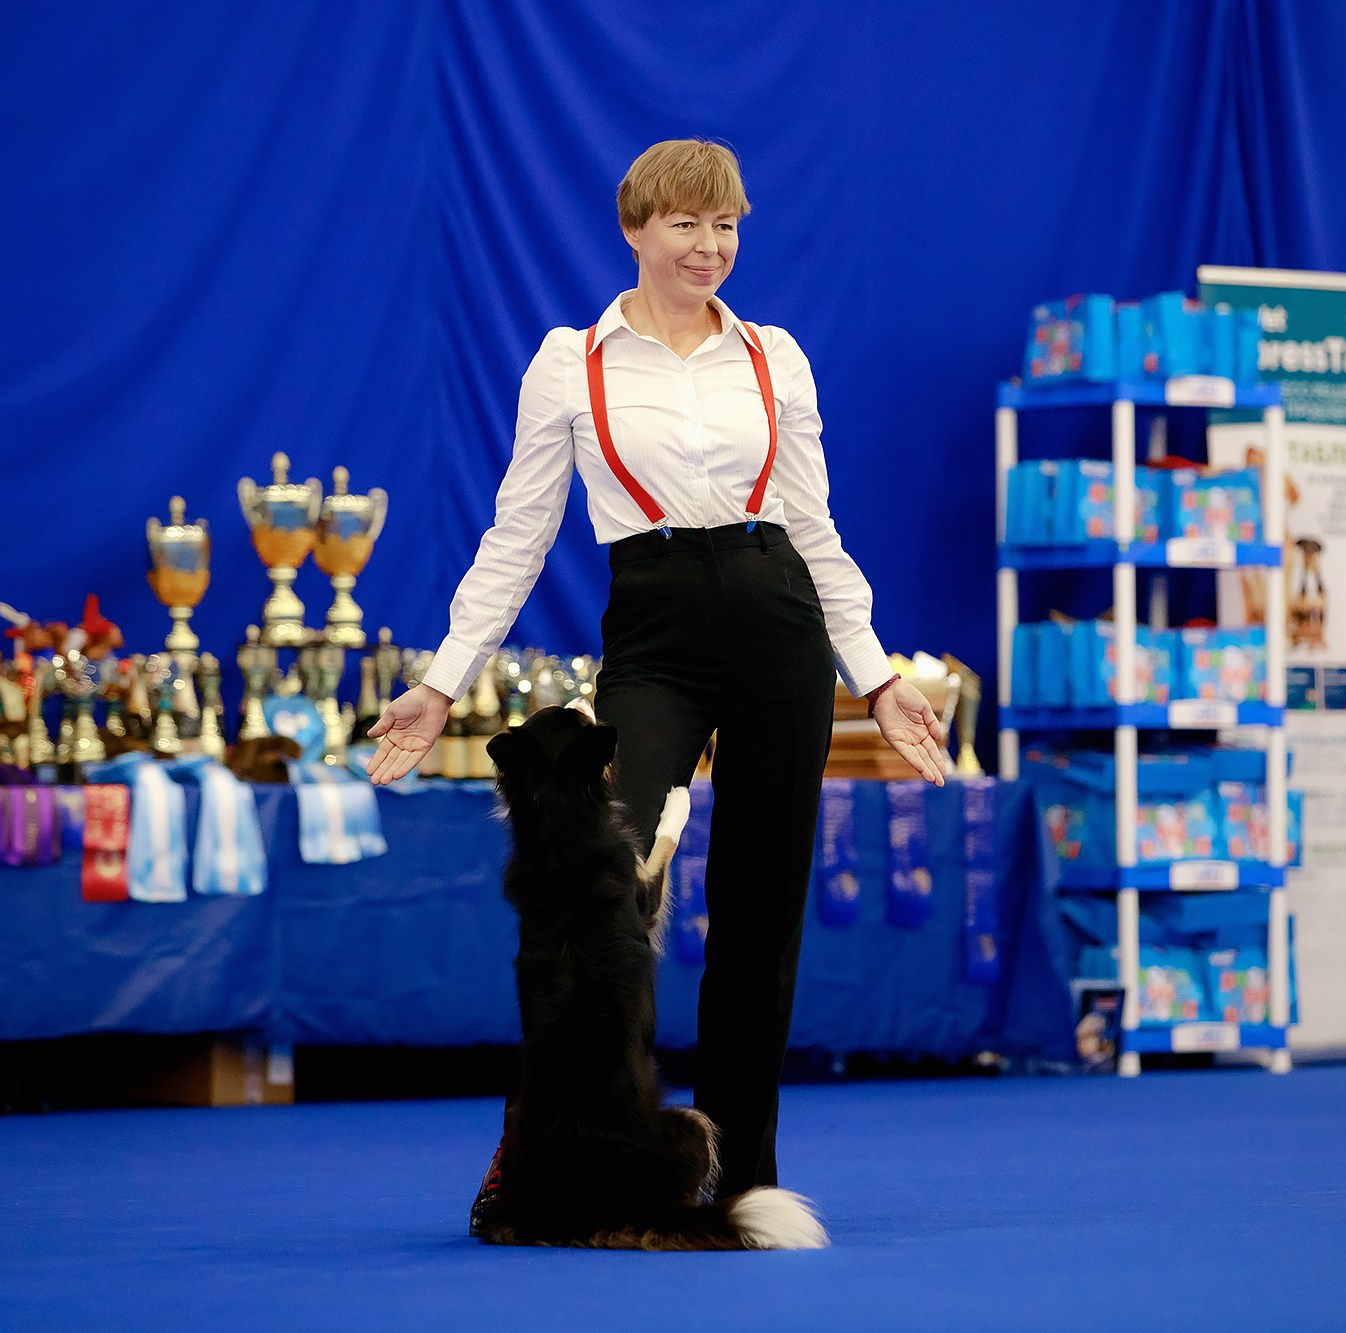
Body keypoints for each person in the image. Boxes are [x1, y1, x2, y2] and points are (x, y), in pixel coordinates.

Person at [364, 138, 946, 1229]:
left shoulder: (774, 356)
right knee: (600, 892)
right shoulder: (568, 363)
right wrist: (442, 683)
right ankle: (538, 1146)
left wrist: (874, 678)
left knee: (761, 912)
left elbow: (814, 529)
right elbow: (517, 534)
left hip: (777, 618)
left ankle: (741, 1171)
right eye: (684, 224)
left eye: (725, 225)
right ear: (634, 229)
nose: (708, 245)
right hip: (654, 626)